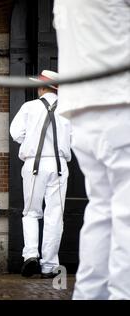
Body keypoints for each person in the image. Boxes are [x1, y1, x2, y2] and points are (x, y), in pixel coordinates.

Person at [54, 0, 130, 299]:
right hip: (120, 99)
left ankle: (90, 294)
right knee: (123, 213)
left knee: (103, 211)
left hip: (83, 108)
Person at [10, 70, 72, 278]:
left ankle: (30, 256)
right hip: (59, 165)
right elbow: (76, 138)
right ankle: (49, 265)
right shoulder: (68, 109)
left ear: (42, 88)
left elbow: (16, 133)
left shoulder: (29, 107)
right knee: (55, 215)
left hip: (34, 164)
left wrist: (31, 140)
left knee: (31, 212)